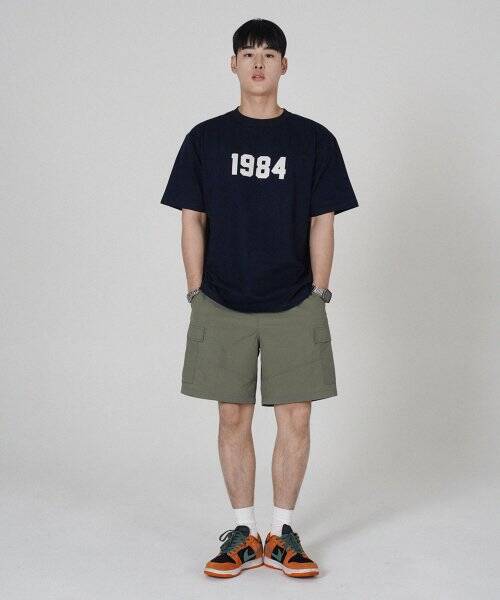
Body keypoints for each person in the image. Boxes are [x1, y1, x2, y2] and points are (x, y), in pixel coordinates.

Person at [160, 18, 359, 579]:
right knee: (233, 415)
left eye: (269, 54)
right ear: (233, 64)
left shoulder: (313, 140)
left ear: (284, 66)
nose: (258, 63)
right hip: (222, 298)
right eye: (248, 53)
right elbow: (191, 217)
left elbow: (323, 219)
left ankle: (283, 532)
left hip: (295, 299)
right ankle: (243, 533)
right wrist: (195, 288)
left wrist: (319, 290)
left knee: (296, 416)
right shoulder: (206, 139)